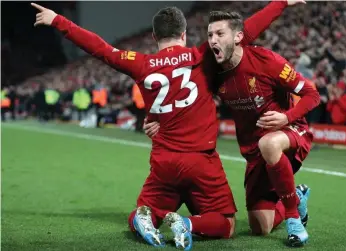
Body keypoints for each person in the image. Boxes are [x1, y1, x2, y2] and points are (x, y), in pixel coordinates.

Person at [31, 1, 303, 249]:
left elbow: (101, 49)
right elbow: (246, 32)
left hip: (163, 162)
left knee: (149, 209)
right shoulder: (201, 57)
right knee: (226, 224)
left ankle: (144, 217)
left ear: (154, 37)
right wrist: (280, 3)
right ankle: (187, 224)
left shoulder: (142, 64)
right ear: (184, 34)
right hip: (200, 162)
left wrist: (58, 20)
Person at [145, 8, 319, 247]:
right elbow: (180, 97)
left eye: (219, 33)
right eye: (209, 35)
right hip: (253, 149)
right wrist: (155, 121)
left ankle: (294, 220)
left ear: (238, 37)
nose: (213, 40)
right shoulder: (214, 73)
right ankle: (296, 196)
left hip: (289, 131)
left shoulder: (267, 62)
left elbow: (312, 94)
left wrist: (287, 118)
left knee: (268, 143)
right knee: (260, 226)